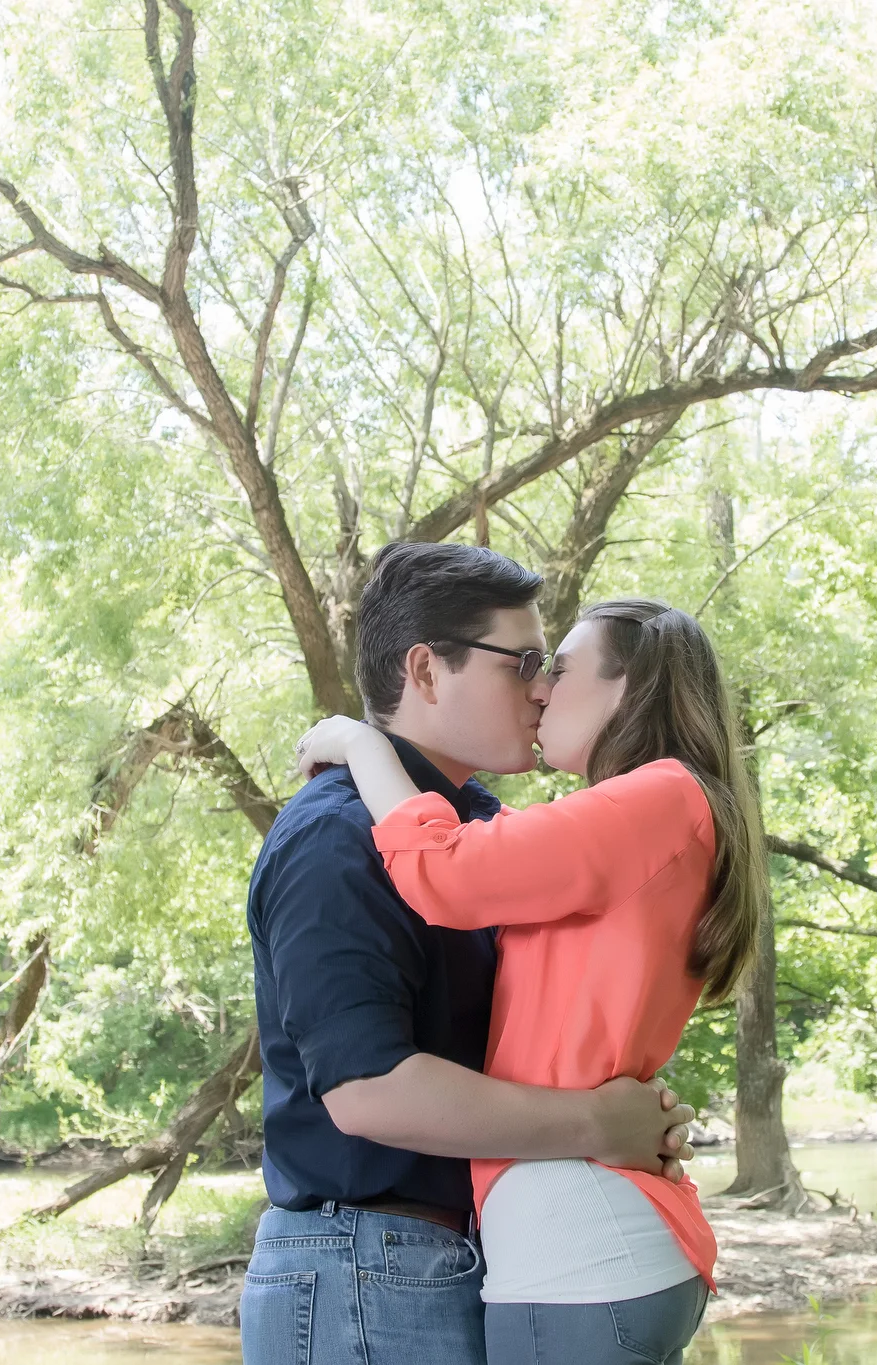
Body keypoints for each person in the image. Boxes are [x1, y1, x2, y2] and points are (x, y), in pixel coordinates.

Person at [241, 546, 697, 1365]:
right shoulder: (336, 837)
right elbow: (368, 1092)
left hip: (459, 1256)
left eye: (551, 665)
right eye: (522, 661)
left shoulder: (476, 829)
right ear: (425, 670)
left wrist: (636, 1106)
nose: (542, 687)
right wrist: (597, 1123)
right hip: (361, 1263)